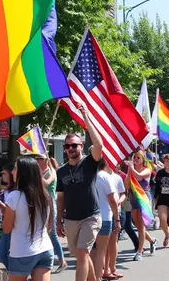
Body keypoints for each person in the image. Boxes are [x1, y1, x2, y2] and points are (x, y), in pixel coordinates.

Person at [55, 103, 103, 281]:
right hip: (70, 219)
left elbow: (99, 144)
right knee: (81, 256)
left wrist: (85, 116)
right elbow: (60, 197)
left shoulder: (90, 163)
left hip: (91, 216)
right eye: (67, 146)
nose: (70, 149)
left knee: (83, 252)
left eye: (74, 145)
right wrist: (59, 220)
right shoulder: (61, 171)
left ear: (81, 146)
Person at [3, 156, 53, 281]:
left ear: (23, 173)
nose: (12, 172)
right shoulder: (46, 196)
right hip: (45, 249)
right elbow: (48, 224)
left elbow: (7, 228)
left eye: (15, 169)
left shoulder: (14, 196)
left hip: (21, 251)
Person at [125, 150, 158, 261]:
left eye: (138, 158)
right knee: (138, 224)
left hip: (143, 197)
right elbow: (127, 185)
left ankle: (139, 251)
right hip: (133, 197)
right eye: (134, 158)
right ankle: (152, 240)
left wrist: (131, 168)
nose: (135, 160)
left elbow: (139, 176)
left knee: (142, 225)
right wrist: (129, 170)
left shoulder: (147, 170)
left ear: (143, 159)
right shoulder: (131, 170)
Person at [37, 155, 66, 274]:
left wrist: (37, 174)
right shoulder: (41, 171)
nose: (36, 161)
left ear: (45, 160)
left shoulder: (52, 171)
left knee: (52, 233)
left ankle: (62, 260)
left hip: (50, 205)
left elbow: (46, 183)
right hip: (41, 205)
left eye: (39, 159)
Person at [92, 158, 119, 281]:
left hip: (89, 217)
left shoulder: (89, 176)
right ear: (106, 163)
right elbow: (112, 200)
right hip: (104, 217)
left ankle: (91, 277)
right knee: (101, 251)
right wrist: (117, 219)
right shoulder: (105, 177)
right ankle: (97, 277)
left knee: (91, 251)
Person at [105, 162, 126, 280]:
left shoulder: (117, 177)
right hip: (101, 213)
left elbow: (123, 194)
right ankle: (104, 268)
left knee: (112, 242)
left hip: (115, 212)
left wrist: (119, 201)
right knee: (102, 244)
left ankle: (112, 268)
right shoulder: (98, 175)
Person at [116, 162, 139, 252]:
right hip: (113, 202)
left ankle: (138, 245)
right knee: (119, 227)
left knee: (127, 226)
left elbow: (126, 188)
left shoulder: (122, 175)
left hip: (125, 201)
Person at [0, 164, 15, 269]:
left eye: (4, 173)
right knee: (2, 254)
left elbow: (9, 211)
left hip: (13, 226)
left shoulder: (15, 192)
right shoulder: (4, 191)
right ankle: (13, 272)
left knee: (4, 253)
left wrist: (1, 205)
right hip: (4, 225)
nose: (1, 175)